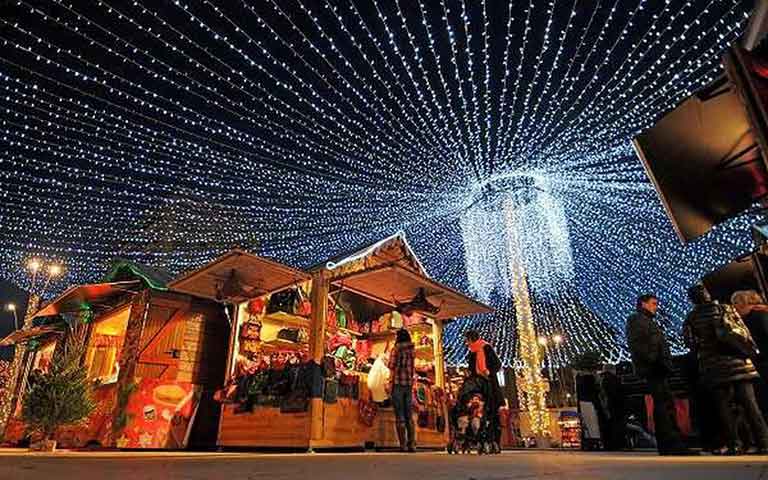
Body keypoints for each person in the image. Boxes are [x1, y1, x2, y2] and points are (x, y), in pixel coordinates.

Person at [684, 284, 768, 454]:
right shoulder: (725, 308)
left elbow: (691, 344)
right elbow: (741, 332)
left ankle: (734, 444)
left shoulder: (691, 318)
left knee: (724, 407)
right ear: (706, 294)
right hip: (737, 362)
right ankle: (764, 442)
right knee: (750, 404)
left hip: (714, 366)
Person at [627, 294, 695, 455]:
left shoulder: (646, 321)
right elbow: (639, 344)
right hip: (654, 368)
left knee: (665, 404)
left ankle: (671, 442)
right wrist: (654, 360)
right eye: (653, 303)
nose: (656, 306)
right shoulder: (637, 320)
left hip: (658, 368)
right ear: (643, 304)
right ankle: (670, 443)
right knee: (663, 405)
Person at [464, 329, 503, 453]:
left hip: (489, 385)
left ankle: (494, 440)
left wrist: (488, 372)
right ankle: (480, 439)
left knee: (492, 413)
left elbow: (497, 364)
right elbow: (471, 370)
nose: (466, 343)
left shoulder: (486, 348)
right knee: (478, 412)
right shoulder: (471, 353)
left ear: (471, 339)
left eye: (467, 340)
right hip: (478, 387)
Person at [387, 329, 416, 452]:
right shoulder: (412, 350)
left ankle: (403, 445)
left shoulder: (396, 349)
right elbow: (412, 368)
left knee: (399, 415)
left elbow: (392, 367)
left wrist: (389, 383)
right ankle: (412, 444)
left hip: (398, 384)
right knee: (409, 415)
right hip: (408, 385)